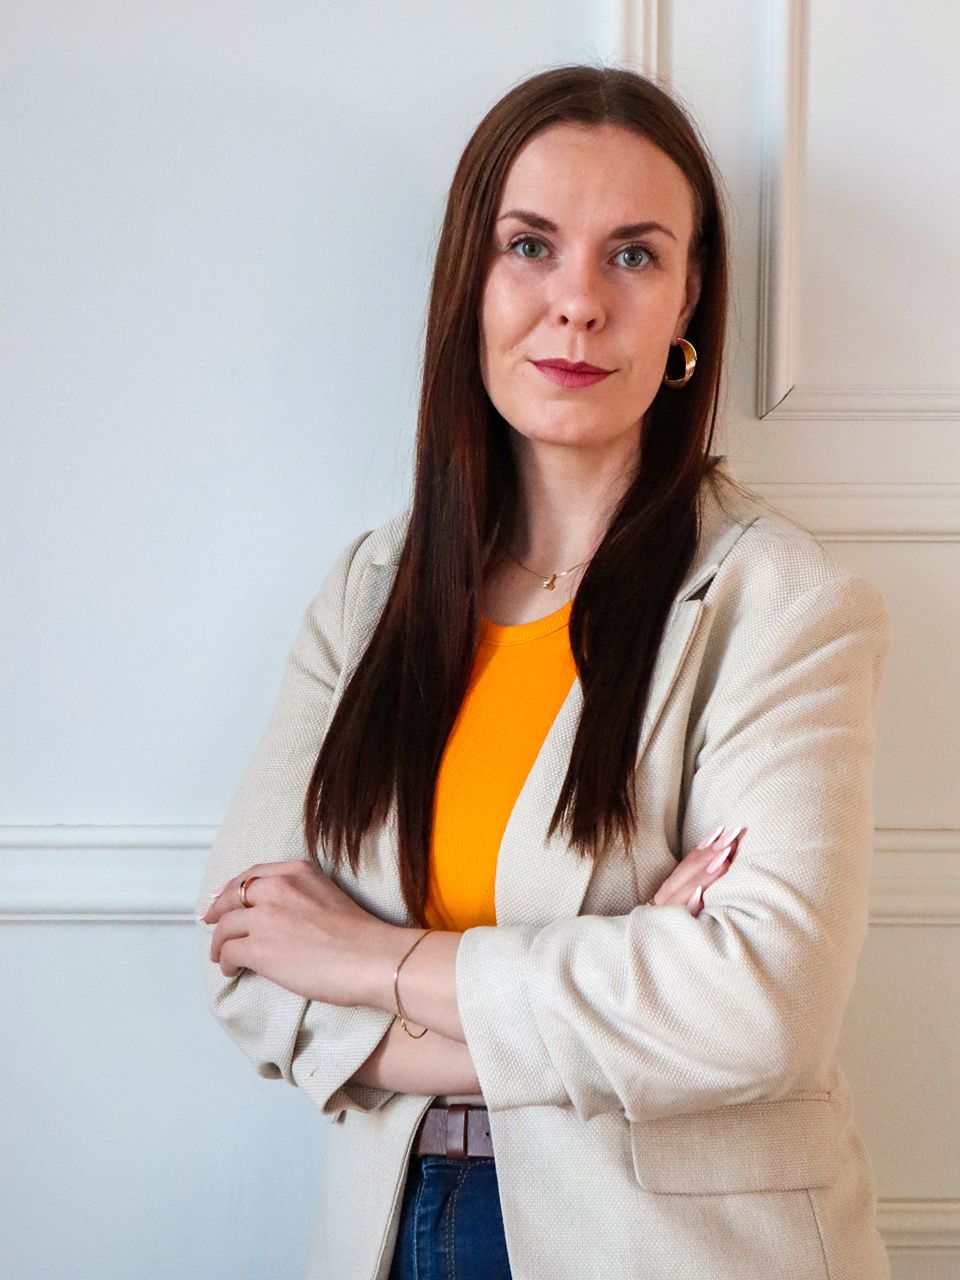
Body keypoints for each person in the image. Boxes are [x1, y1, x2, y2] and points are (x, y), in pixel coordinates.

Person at [195, 64, 892, 1280]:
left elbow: (758, 1006)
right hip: (389, 1226)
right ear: (470, 277)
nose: (578, 304)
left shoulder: (781, 603)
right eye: (531, 246)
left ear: (687, 300)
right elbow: (252, 958)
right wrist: (617, 986)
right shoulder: (372, 590)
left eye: (634, 256)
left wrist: (374, 961)